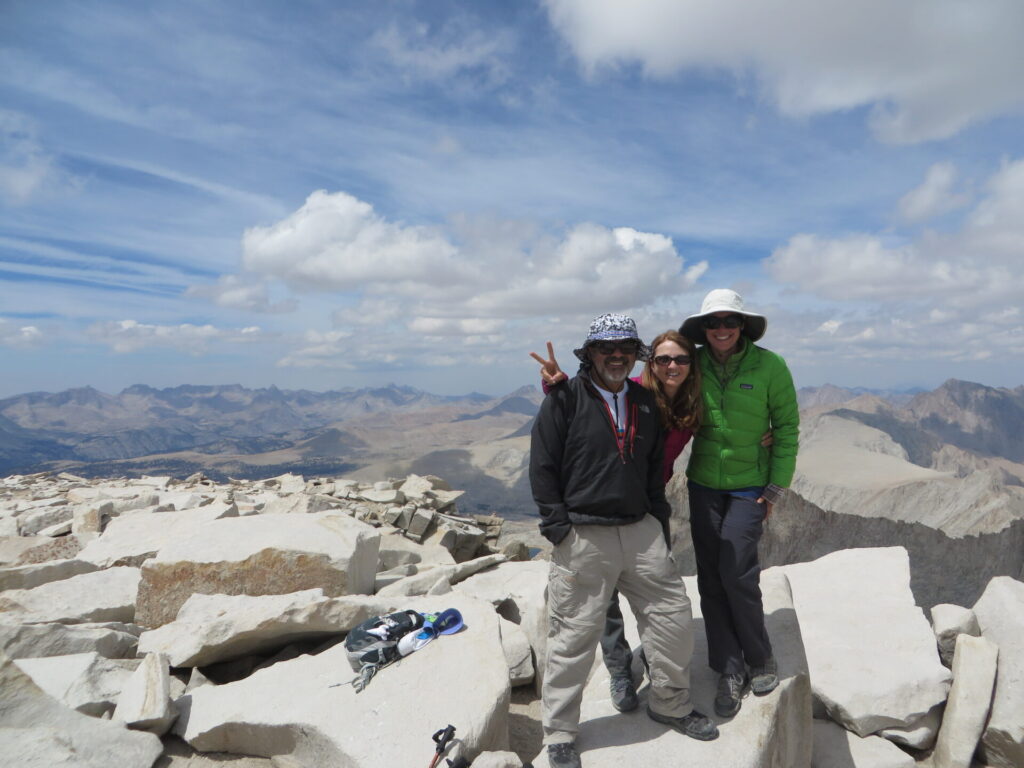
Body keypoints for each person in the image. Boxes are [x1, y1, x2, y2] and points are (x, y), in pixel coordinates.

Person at [531, 329, 771, 713]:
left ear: (691, 366)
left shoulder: (691, 400)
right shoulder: (637, 391)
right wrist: (555, 389)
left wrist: (765, 434)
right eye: (662, 360)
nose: (671, 366)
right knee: (603, 599)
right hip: (599, 509)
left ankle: (665, 686)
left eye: (680, 360)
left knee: (661, 601)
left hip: (645, 505)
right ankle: (620, 669)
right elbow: (591, 409)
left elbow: (732, 421)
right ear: (650, 364)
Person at [530, 314, 717, 768]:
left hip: (640, 531)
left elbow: (655, 468)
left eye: (625, 348)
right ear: (590, 354)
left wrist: (657, 523)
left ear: (636, 355)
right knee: (572, 636)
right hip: (583, 535)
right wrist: (560, 531)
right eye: (605, 348)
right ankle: (559, 734)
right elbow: (543, 467)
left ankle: (669, 704)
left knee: (672, 618)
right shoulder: (565, 399)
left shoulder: (645, 401)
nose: (616, 355)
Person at [678, 288, 799, 718]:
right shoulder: (691, 365)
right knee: (710, 577)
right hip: (704, 484)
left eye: (730, 321)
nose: (722, 329)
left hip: (750, 485)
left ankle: (759, 656)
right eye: (714, 322)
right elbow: (653, 387)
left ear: (743, 325)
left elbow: (785, 428)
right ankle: (728, 668)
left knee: (737, 570)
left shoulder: (771, 366)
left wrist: (775, 488)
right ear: (704, 329)